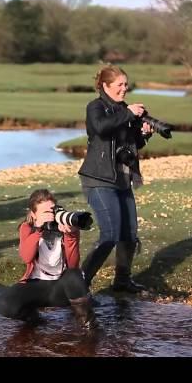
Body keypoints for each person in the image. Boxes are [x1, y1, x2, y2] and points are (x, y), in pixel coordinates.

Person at [78, 64, 154, 293]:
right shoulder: (95, 107)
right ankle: (80, 283)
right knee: (109, 234)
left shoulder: (123, 109)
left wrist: (143, 136)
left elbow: (130, 145)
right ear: (105, 86)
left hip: (122, 180)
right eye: (120, 84)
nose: (124, 88)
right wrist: (129, 113)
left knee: (129, 234)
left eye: (126, 84)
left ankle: (122, 280)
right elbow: (101, 129)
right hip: (99, 180)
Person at [0, 189, 97, 329]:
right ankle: (34, 319)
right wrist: (38, 230)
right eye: (45, 213)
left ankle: (88, 326)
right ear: (34, 215)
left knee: (74, 274)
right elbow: (26, 257)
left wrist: (71, 236)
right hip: (36, 286)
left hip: (61, 288)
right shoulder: (27, 228)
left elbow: (73, 264)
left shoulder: (65, 227)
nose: (50, 216)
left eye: (52, 212)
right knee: (4, 303)